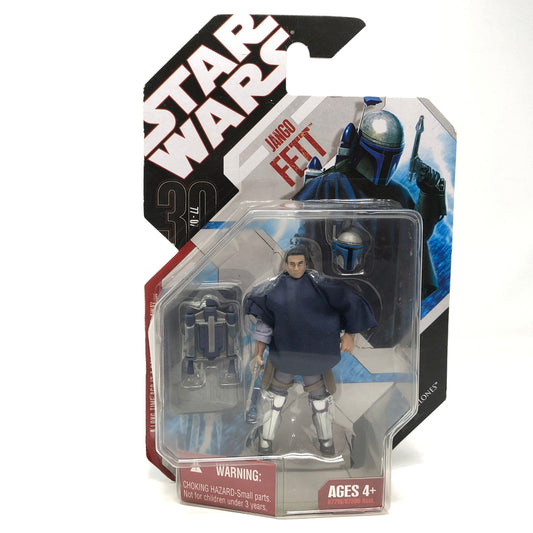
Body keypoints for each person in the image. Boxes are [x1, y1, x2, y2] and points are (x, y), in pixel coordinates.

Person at [245, 246, 377, 456]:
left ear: (306, 263)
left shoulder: (321, 286)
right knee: (275, 399)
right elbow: (264, 326)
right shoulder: (274, 291)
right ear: (285, 264)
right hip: (286, 355)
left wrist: (350, 334)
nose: (296, 268)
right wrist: (258, 354)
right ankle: (265, 443)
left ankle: (327, 443)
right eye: (292, 264)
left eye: (300, 264)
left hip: (314, 355)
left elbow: (349, 301)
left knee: (320, 400)